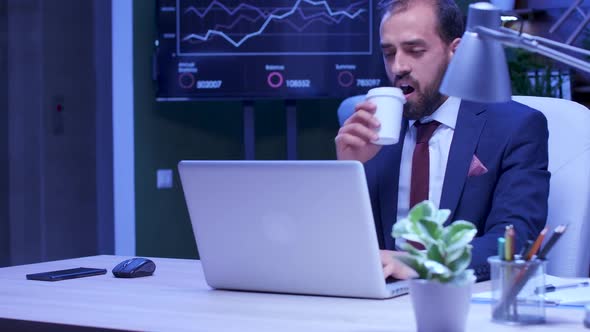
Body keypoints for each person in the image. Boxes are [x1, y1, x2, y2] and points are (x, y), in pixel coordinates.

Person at [334, 0, 550, 281]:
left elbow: (513, 240)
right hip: (377, 297)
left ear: (455, 52)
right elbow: (340, 244)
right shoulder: (369, 130)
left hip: (461, 296)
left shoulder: (515, 127)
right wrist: (349, 172)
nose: (398, 67)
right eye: (389, 53)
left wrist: (419, 264)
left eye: (415, 50)